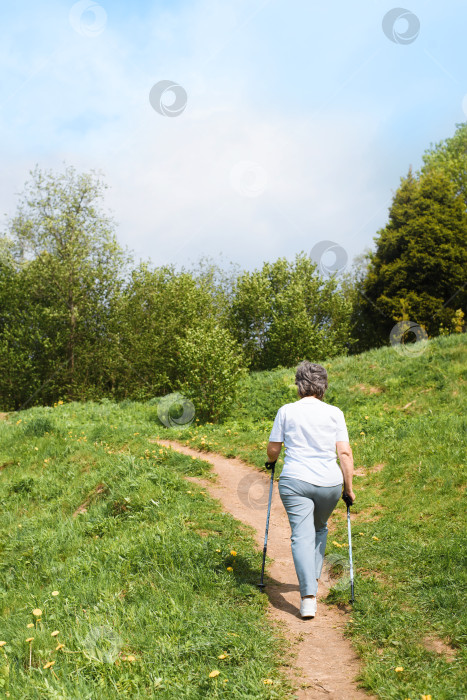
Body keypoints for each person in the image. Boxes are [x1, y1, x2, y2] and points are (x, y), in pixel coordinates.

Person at [266, 360, 355, 619]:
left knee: (301, 536)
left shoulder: (286, 411)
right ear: (323, 386)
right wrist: (348, 489)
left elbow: (274, 449)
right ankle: (312, 582)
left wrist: (270, 462)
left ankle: (307, 597)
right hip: (329, 483)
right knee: (319, 529)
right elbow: (345, 454)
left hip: (295, 481)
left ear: (299, 384)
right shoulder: (334, 412)